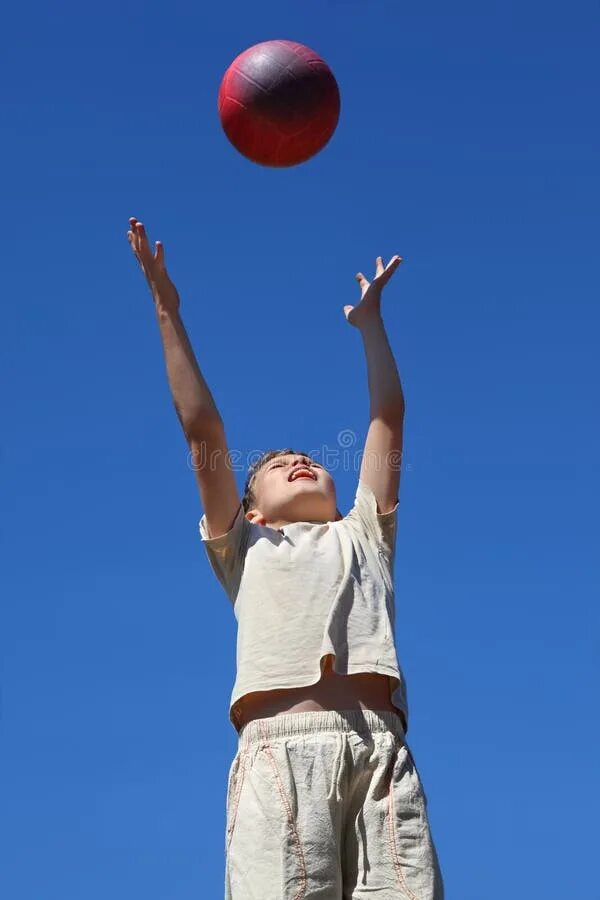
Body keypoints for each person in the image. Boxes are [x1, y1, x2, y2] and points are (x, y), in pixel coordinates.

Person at [127, 216, 444, 899]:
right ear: (252, 510)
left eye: (305, 458)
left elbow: (388, 412)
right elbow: (202, 429)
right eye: (274, 466)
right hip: (281, 759)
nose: (298, 459)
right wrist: (166, 310)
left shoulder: (364, 533)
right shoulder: (245, 548)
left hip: (382, 756)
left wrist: (370, 327)